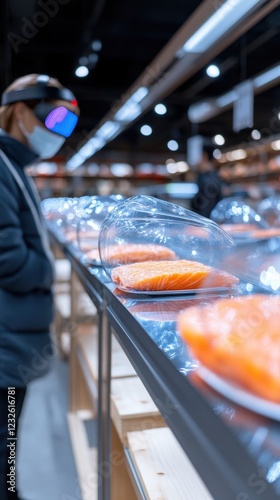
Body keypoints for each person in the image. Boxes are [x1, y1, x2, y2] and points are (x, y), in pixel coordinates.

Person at [0, 74, 79, 499]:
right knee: (5, 447)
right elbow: (7, 259)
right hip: (5, 347)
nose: (58, 132)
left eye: (68, 125)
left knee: (7, 443)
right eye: (54, 118)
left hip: (13, 342)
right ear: (20, 112)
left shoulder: (14, 165)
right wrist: (51, 271)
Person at [190, 144, 227, 219]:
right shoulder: (213, 177)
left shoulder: (207, 181)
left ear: (204, 156)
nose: (198, 161)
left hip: (205, 225)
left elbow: (206, 211)